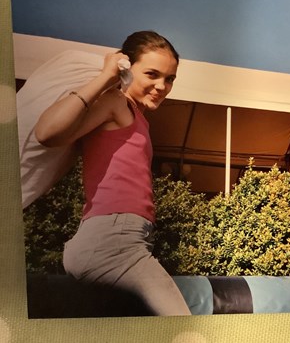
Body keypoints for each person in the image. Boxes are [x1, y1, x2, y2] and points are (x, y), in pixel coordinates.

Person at [34, 31, 191, 316]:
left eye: (169, 78)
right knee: (183, 326)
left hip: (125, 240)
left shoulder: (135, 116)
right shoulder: (115, 102)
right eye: (152, 74)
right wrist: (106, 77)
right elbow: (46, 133)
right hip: (113, 242)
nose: (162, 86)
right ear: (127, 69)